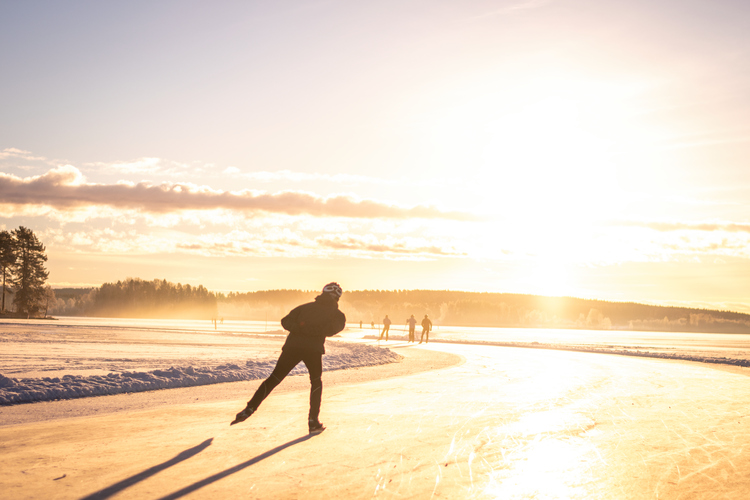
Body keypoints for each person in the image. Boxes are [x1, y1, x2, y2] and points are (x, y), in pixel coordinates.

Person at [231, 282, 346, 433]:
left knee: (274, 378)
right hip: (313, 350)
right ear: (337, 297)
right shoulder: (337, 315)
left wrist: (300, 328)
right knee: (316, 382)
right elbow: (332, 329)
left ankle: (249, 408)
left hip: (293, 347)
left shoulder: (304, 307)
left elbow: (285, 321)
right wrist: (313, 331)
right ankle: (313, 421)